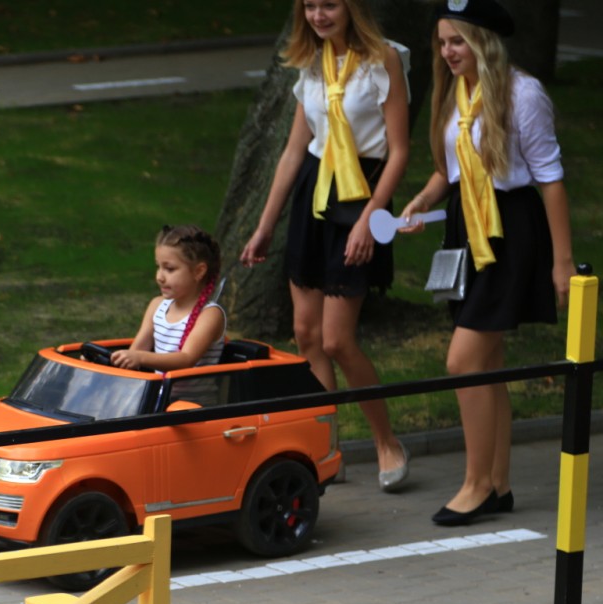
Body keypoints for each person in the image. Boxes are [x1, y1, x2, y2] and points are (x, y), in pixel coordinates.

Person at [398, 0, 573, 526]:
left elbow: (550, 179)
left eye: (458, 41)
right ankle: (498, 485)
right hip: (466, 230)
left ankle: (475, 485)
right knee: (487, 364)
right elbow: (451, 169)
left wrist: (562, 262)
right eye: (442, 42)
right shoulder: (458, 91)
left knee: (463, 361)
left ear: (484, 42)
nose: (448, 52)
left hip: (509, 233)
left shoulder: (523, 94)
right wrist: (421, 201)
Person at [239, 0, 411, 492]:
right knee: (307, 335)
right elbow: (295, 150)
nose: (319, 15)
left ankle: (387, 442)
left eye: (329, 4)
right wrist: (264, 226)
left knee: (338, 340)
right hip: (314, 195)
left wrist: (370, 218)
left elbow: (400, 151)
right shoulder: (312, 64)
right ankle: (326, 449)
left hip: (361, 194)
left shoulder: (383, 60)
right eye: (310, 5)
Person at [111, 225, 227, 372]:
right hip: (156, 387)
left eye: (169, 269)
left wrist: (140, 357)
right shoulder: (157, 305)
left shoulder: (210, 314)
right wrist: (110, 360)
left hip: (188, 389)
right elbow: (136, 350)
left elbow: (187, 358)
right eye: (158, 267)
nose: (159, 277)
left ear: (198, 271)